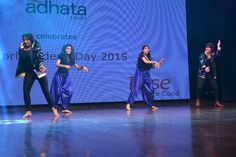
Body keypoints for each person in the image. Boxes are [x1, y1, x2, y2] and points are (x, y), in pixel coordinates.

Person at [15, 33, 59, 118]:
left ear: (31, 39)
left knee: (45, 90)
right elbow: (21, 62)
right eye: (24, 40)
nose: (25, 41)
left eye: (27, 39)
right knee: (25, 91)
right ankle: (28, 111)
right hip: (29, 72)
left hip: (38, 71)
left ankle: (54, 108)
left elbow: (40, 57)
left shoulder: (36, 47)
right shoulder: (21, 49)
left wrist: (41, 65)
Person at [50, 44, 88, 113]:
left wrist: (82, 67)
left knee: (69, 92)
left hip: (66, 76)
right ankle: (54, 107)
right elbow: (57, 64)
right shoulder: (61, 55)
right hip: (59, 76)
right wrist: (65, 66)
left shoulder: (72, 58)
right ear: (64, 49)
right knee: (56, 92)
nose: (69, 50)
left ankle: (65, 108)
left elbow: (77, 67)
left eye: (70, 49)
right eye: (67, 48)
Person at [126, 45, 164, 111]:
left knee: (150, 89)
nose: (147, 50)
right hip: (140, 73)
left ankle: (150, 105)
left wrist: (159, 63)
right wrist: (155, 61)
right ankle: (128, 104)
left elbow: (153, 66)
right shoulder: (142, 56)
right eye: (146, 49)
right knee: (136, 88)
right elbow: (146, 62)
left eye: (148, 49)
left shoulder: (149, 57)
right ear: (142, 50)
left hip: (147, 74)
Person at [195, 40, 223, 107]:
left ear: (211, 49)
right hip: (202, 74)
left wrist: (218, 46)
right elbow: (201, 62)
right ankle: (197, 101)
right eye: (206, 47)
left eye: (209, 47)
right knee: (199, 87)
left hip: (210, 74)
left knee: (215, 88)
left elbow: (218, 54)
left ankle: (216, 101)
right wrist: (205, 67)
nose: (207, 48)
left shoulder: (212, 55)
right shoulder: (202, 55)